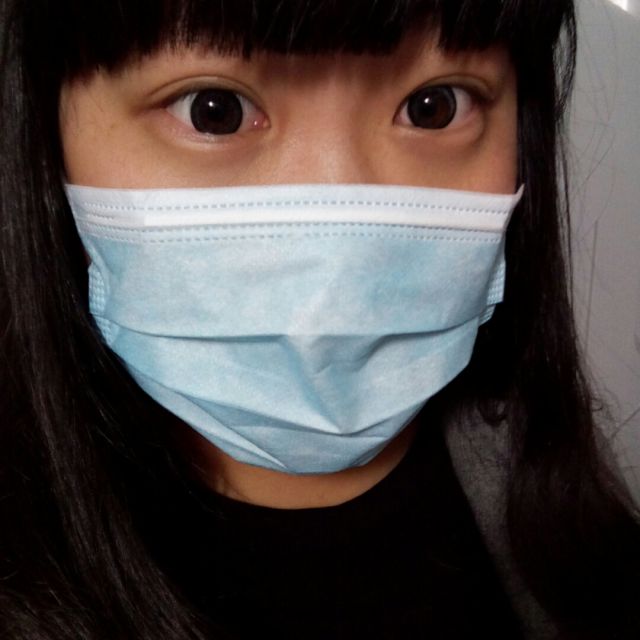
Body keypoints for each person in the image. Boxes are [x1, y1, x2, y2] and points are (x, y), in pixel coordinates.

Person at [1, 1, 639, 638]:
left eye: (434, 107)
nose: (342, 262)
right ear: (49, 138)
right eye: (214, 110)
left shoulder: (577, 536)